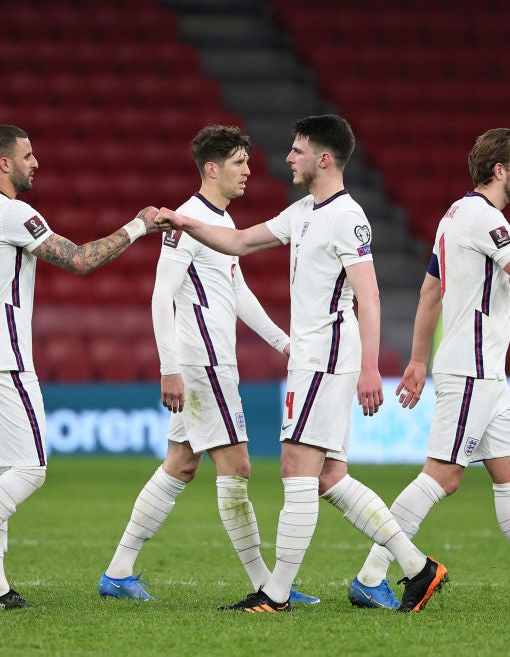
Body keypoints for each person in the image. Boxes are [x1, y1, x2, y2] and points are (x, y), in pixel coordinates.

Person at [155, 114, 448, 613]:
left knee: (297, 468)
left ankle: (275, 595)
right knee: (329, 476)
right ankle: (418, 568)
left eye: (297, 150)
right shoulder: (304, 211)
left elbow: (369, 295)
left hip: (325, 356)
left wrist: (371, 368)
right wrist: (185, 222)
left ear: (324, 158)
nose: (287, 157)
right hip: (314, 355)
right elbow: (240, 241)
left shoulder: (347, 216)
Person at [347, 127, 510, 611]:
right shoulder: (486, 219)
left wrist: (419, 360)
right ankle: (370, 575)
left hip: (485, 373)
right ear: (499, 170)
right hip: (472, 369)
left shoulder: (453, 215)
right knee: (442, 476)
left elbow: (431, 291)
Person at [0, 124, 161, 609]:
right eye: (28, 156)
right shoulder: (12, 213)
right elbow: (79, 259)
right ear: (4, 163)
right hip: (2, 357)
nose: (36, 163)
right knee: (30, 469)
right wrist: (139, 226)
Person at [96, 125, 316, 605]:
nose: (249, 170)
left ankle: (117, 572)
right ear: (212, 169)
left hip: (209, 361)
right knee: (237, 466)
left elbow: (237, 291)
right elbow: (161, 296)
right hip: (203, 363)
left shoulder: (218, 222)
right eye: (239, 162)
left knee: (180, 464)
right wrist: (169, 368)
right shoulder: (188, 221)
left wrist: (283, 343)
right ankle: (266, 585)